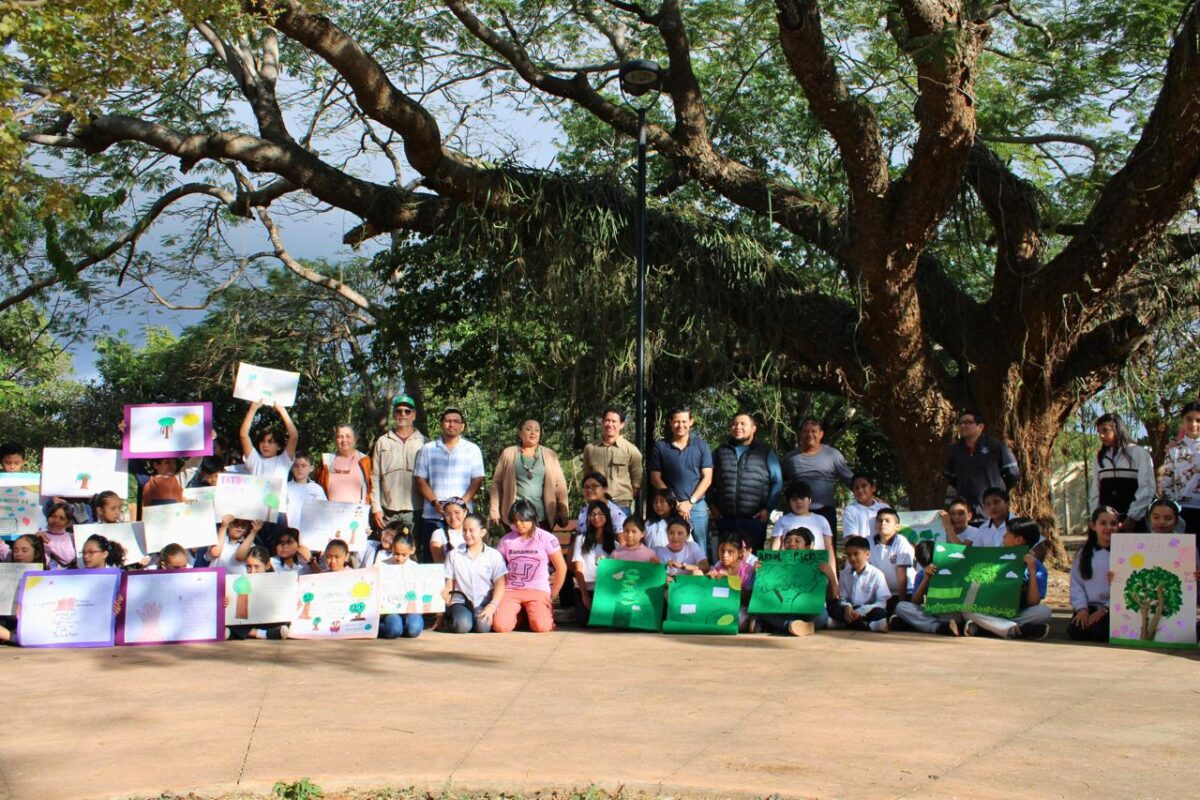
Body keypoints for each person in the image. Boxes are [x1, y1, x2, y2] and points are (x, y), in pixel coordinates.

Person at [413, 407, 485, 560]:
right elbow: (420, 479)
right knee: (431, 559)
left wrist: (461, 504)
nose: (451, 425)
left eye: (456, 421)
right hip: (433, 515)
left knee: (464, 558)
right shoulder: (428, 449)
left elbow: (477, 479)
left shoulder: (472, 450)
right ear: (441, 424)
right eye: (447, 421)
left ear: (462, 426)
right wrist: (435, 502)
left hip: (462, 517)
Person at [964, 517, 1052, 639]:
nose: (1003, 537)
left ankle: (988, 628)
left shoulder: (1037, 567)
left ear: (1018, 540)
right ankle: (1014, 629)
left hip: (1017, 612)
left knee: (1044, 612)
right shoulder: (994, 558)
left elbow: (1033, 602)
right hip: (990, 610)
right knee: (967, 610)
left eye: (1007, 534)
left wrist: (1031, 571)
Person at [710, 412, 783, 552]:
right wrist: (712, 506)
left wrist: (768, 509)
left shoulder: (765, 452)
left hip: (755, 520)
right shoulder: (720, 452)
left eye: (742, 424)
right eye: (734, 423)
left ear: (753, 428)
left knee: (752, 563)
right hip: (725, 519)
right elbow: (708, 479)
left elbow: (777, 482)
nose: (737, 427)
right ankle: (731, 576)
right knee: (728, 563)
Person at [493, 500, 568, 633]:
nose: (519, 524)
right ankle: (521, 615)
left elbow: (561, 568)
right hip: (511, 590)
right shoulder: (506, 540)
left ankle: (537, 613)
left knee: (541, 627)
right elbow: (497, 568)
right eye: (515, 521)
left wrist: (552, 594)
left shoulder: (546, 538)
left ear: (533, 517)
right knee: (500, 626)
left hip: (537, 590)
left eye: (523, 520)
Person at [648, 407, 714, 557]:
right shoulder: (661, 446)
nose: (680, 425)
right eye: (676, 421)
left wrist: (690, 502)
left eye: (684, 421)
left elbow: (707, 478)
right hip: (670, 507)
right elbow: (655, 478)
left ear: (691, 422)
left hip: (696, 507)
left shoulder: (701, 446)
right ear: (670, 423)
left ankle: (698, 579)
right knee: (668, 545)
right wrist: (675, 503)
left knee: (700, 547)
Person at [780, 417, 853, 550]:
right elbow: (778, 482)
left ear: (821, 434)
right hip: (797, 514)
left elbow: (850, 479)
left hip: (825, 513)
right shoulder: (790, 458)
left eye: (814, 431)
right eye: (806, 431)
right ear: (800, 434)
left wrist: (871, 497)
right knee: (795, 555)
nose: (810, 434)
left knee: (826, 552)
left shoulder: (833, 455)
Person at [751, 527, 836, 636]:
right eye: (788, 541)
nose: (792, 544)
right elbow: (762, 594)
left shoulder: (818, 565)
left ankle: (785, 626)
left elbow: (832, 597)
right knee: (761, 610)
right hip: (782, 611)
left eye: (797, 541)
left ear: (808, 547)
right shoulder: (773, 565)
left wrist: (831, 576)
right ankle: (794, 626)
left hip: (808, 611)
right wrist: (759, 573)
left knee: (821, 617)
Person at [489, 419, 569, 531]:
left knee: (540, 547)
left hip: (542, 516)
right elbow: (497, 484)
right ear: (520, 433)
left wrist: (563, 511)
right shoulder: (508, 453)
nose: (533, 432)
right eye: (528, 429)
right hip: (515, 516)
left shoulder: (550, 455)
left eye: (537, 430)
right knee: (516, 548)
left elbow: (560, 485)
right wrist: (494, 510)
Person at [945, 410, 1020, 520]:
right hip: (967, 516)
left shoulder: (994, 445)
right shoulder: (955, 451)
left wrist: (998, 490)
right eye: (960, 423)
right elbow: (951, 477)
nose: (963, 425)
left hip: (992, 513)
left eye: (968, 422)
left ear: (980, 426)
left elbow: (1013, 472)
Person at [442, 513, 508, 634]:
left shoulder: (493, 555)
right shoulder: (454, 554)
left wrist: (492, 606)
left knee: (483, 627)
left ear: (482, 532)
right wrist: (445, 600)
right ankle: (454, 617)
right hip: (461, 601)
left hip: (484, 602)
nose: (467, 535)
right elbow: (449, 582)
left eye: (471, 531)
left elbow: (500, 583)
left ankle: (473, 618)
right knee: (461, 626)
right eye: (464, 531)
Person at [1089, 414, 1155, 531]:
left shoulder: (1139, 453)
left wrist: (1133, 517)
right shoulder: (1099, 458)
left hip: (1133, 521)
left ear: (1117, 429)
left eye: (1105, 430)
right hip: (1107, 523)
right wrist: (1096, 516)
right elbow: (1096, 490)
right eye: (1099, 432)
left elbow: (1147, 488)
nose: (1102, 435)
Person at [370, 394, 426, 532]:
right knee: (388, 550)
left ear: (414, 415)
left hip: (417, 510)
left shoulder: (425, 443)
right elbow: (374, 478)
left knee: (413, 551)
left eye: (407, 411)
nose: (403, 414)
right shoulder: (382, 442)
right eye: (399, 411)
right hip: (388, 510)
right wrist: (376, 508)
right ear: (394, 415)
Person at [891, 540, 961, 636]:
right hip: (933, 613)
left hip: (951, 612)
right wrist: (926, 578)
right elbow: (915, 602)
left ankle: (920, 625)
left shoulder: (950, 570)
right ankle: (940, 627)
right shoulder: (921, 575)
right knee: (901, 606)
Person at [1068, 507, 1118, 642]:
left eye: (1113, 523)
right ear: (1093, 526)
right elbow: (1076, 584)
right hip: (1089, 606)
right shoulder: (1083, 555)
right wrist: (1082, 609)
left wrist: (1105, 609)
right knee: (1076, 631)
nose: (1108, 527)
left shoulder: (1123, 555)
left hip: (1112, 608)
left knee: (1098, 632)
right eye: (1103, 523)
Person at [582, 406, 643, 515]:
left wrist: (624, 497)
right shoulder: (590, 449)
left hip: (621, 506)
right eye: (607, 420)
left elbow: (637, 482)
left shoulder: (631, 450)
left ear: (622, 424)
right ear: (602, 422)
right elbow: (587, 477)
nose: (610, 424)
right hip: (597, 504)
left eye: (614, 421)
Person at [226, 546, 291, 640]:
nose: (252, 571)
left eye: (256, 566)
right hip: (247, 623)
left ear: (267, 565)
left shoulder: (278, 582)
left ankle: (236, 634)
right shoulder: (241, 581)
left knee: (286, 622)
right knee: (226, 618)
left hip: (269, 621)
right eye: (248, 567)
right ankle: (262, 634)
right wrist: (228, 602)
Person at [828, 535, 891, 632]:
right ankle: (868, 626)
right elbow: (842, 598)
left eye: (856, 554)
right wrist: (847, 607)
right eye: (849, 555)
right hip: (850, 609)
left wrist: (861, 611)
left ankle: (845, 624)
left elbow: (881, 602)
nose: (852, 558)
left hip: (868, 610)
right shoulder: (845, 573)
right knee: (832, 607)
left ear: (867, 554)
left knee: (880, 612)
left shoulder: (877, 574)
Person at [770, 480, 834, 571]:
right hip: (788, 573)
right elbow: (774, 550)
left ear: (810, 500)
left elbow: (829, 549)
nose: (799, 502)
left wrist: (833, 578)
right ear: (789, 502)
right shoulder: (782, 521)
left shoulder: (822, 520)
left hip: (817, 575)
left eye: (802, 498)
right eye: (794, 499)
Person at [697, 533, 755, 631]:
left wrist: (731, 581)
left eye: (730, 552)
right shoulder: (717, 567)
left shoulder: (748, 571)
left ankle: (755, 621)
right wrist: (709, 580)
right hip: (719, 605)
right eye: (722, 551)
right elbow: (708, 594)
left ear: (740, 553)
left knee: (740, 621)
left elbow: (748, 600)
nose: (724, 555)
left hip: (740, 607)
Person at [1158, 401, 1200, 533]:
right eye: (1189, 419)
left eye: (1198, 420)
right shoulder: (1173, 449)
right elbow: (1165, 482)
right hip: (1180, 512)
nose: (1193, 424)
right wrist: (1171, 509)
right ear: (1182, 421)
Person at [572, 500, 617, 615]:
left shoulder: (615, 545)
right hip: (584, 588)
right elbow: (578, 570)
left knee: (604, 618)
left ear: (607, 516)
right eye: (593, 514)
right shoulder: (581, 540)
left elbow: (617, 573)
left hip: (605, 590)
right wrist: (585, 596)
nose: (596, 517)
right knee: (585, 620)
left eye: (600, 513)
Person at [379, 528, 424, 639]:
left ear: (412, 550)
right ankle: (381, 627)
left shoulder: (416, 568)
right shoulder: (381, 566)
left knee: (414, 629)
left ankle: (402, 626)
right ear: (391, 549)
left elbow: (421, 592)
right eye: (396, 554)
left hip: (410, 609)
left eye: (404, 555)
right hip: (389, 610)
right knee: (393, 630)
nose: (399, 558)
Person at [0, 535, 45, 644]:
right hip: (6, 621)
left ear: (37, 553)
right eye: (15, 550)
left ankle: (14, 638)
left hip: (31, 623)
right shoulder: (4, 573)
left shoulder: (46, 576)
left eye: (24, 550)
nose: (19, 554)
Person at [238, 400, 299, 481]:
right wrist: (252, 409)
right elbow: (243, 435)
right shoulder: (254, 459)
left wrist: (282, 410)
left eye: (270, 442)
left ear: (279, 446)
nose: (265, 445)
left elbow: (294, 437)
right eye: (262, 441)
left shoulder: (284, 460)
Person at [314, 425, 372, 505]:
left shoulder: (365, 460)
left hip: (357, 514)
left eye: (348, 436)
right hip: (330, 513)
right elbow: (317, 488)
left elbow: (373, 488)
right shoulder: (326, 461)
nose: (344, 440)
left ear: (355, 439)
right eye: (339, 437)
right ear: (335, 440)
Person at [868, 508, 914, 608]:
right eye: (880, 520)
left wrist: (901, 605)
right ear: (876, 525)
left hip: (904, 592)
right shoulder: (868, 542)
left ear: (897, 527)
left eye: (887, 521)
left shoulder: (901, 542)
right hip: (880, 593)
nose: (883, 523)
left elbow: (902, 573)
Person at [285, 451, 326, 531]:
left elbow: (324, 512)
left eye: (303, 466)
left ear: (311, 468)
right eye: (296, 466)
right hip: (289, 531)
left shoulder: (317, 489)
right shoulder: (286, 488)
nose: (300, 469)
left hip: (310, 532)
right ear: (292, 467)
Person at [842, 473, 888, 539]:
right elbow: (851, 537)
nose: (860, 490)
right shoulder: (850, 510)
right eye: (856, 488)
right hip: (860, 548)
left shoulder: (884, 508)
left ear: (873, 488)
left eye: (864, 486)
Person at [39, 502, 76, 569]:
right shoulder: (40, 535)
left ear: (68, 523)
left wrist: (49, 543)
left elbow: (68, 558)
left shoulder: (70, 537)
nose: (56, 521)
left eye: (61, 518)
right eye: (53, 516)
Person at [429, 497, 467, 563]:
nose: (453, 518)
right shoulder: (438, 533)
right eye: (448, 514)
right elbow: (439, 562)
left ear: (465, 512)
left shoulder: (471, 531)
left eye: (457, 512)